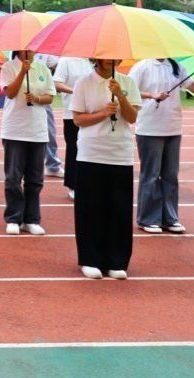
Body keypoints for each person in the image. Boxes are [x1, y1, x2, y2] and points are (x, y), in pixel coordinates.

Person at [69, 58, 140, 280]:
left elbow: (132, 117)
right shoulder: (83, 83)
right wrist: (102, 113)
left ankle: (116, 260)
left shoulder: (128, 82)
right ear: (96, 58)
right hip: (91, 153)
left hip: (120, 154)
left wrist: (120, 95)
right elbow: (78, 119)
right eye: (105, 55)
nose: (110, 59)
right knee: (90, 208)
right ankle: (90, 259)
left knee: (120, 209)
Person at [131, 54, 194, 234]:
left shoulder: (176, 66)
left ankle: (170, 218)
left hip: (173, 128)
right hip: (149, 129)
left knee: (170, 176)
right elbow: (129, 91)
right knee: (151, 175)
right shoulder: (142, 66)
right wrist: (152, 95)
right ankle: (147, 218)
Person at [0, 50, 54, 236]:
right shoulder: (8, 67)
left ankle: (31, 219)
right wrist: (22, 71)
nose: (31, 50)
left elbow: (50, 96)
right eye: (28, 47)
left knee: (35, 179)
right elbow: (10, 93)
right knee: (13, 178)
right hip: (15, 130)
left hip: (37, 131)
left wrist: (37, 98)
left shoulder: (43, 68)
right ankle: (13, 218)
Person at [52, 56, 92, 199]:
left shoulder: (91, 61)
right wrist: (76, 91)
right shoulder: (66, 61)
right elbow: (57, 83)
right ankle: (73, 185)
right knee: (74, 149)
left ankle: (87, 183)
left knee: (89, 149)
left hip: (91, 112)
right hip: (72, 112)